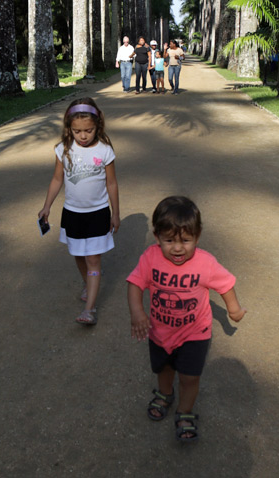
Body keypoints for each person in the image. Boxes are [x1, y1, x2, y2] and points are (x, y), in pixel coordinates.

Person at [127, 196, 246, 443]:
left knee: (190, 377)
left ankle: (185, 411)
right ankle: (165, 393)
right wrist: (137, 311)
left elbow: (225, 284)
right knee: (164, 368)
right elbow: (135, 283)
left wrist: (233, 310)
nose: (178, 248)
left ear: (198, 236)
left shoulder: (205, 263)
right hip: (160, 332)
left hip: (194, 334)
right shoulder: (150, 258)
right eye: (169, 241)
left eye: (186, 241)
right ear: (157, 236)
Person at [38, 97, 120, 325]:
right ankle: (88, 283)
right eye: (77, 131)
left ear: (98, 126)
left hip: (98, 213)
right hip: (72, 214)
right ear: (69, 128)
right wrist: (47, 206)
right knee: (79, 255)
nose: (82, 136)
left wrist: (115, 212)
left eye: (88, 130)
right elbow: (56, 180)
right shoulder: (63, 150)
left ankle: (89, 309)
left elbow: (112, 183)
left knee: (93, 259)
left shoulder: (105, 151)